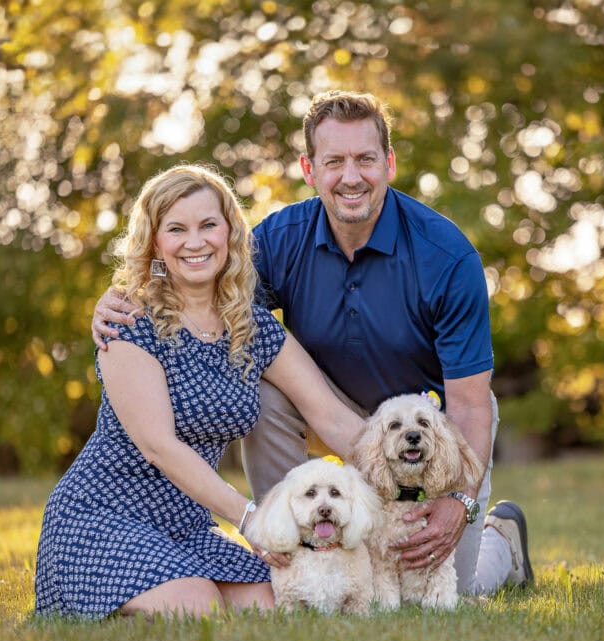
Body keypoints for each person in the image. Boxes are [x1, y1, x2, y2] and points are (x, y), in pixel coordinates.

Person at [93, 91, 533, 596]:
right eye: (334, 162)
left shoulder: (447, 256)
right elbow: (200, 278)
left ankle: (503, 542)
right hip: (326, 410)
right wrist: (124, 294)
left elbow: (472, 407)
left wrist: (460, 499)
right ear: (309, 168)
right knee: (266, 388)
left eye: (366, 159)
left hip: (428, 425)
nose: (351, 177)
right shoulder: (279, 240)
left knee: (448, 584)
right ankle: (292, 546)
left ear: (388, 163)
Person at [36, 164, 364, 619]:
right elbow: (160, 447)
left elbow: (330, 417)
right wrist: (251, 520)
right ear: (154, 242)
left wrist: (405, 486)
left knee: (277, 605)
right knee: (197, 608)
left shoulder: (253, 327)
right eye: (176, 229)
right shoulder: (129, 321)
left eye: (208, 225)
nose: (195, 242)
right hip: (102, 517)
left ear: (230, 234)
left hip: (187, 524)